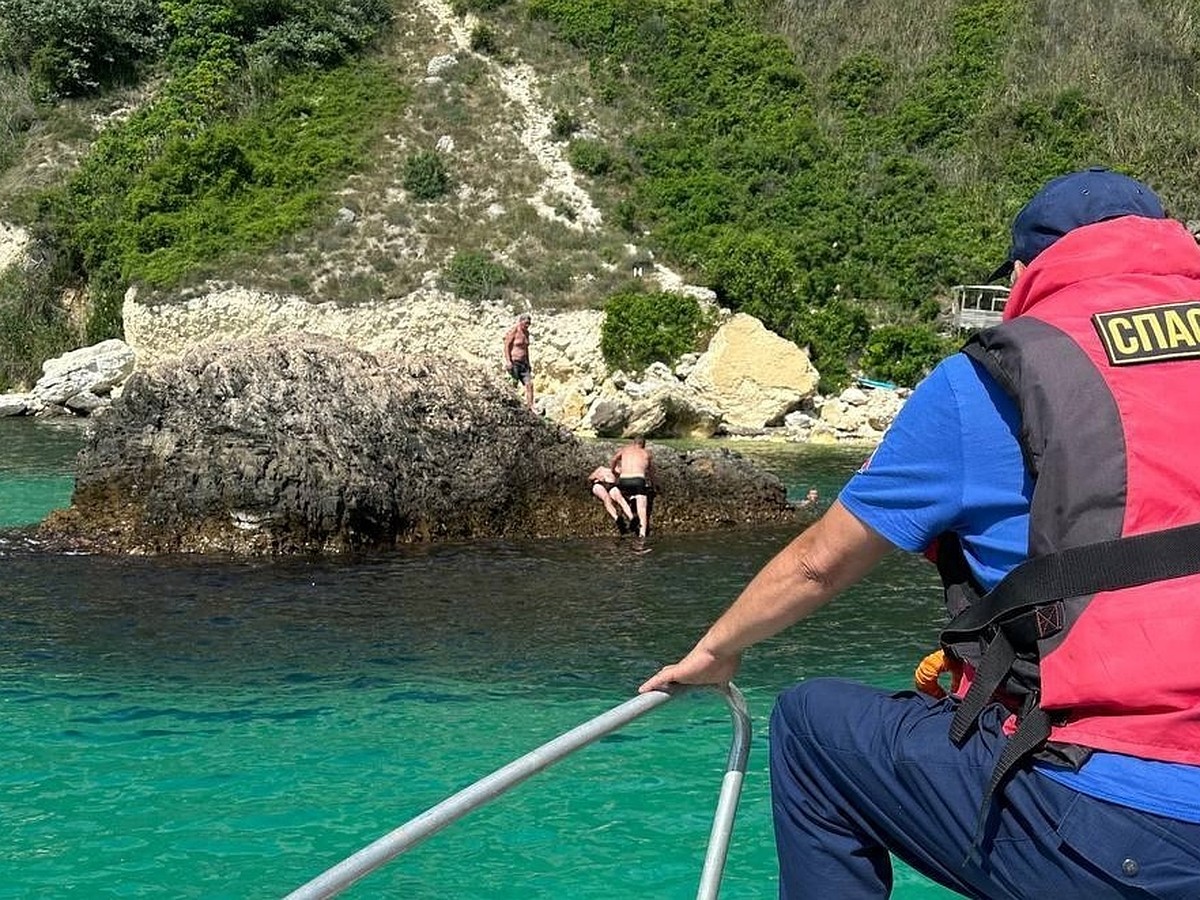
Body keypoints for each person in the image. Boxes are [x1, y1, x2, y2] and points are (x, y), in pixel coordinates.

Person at [639, 168, 1200, 898]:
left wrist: (716, 650)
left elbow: (818, 564)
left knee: (812, 728)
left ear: (1028, 271)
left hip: (1118, 822)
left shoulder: (991, 382)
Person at [609, 436, 654, 539]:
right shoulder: (646, 453)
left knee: (616, 492)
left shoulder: (624, 450)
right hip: (638, 480)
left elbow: (613, 459)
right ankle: (642, 534)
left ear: (633, 443)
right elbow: (651, 472)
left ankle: (629, 512)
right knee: (642, 507)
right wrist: (655, 483)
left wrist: (613, 470)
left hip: (624, 480)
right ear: (643, 445)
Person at [587, 464, 634, 533]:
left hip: (611, 486)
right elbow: (590, 478)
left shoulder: (620, 475)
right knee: (606, 498)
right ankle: (617, 519)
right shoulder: (602, 469)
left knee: (620, 498)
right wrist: (597, 476)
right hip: (599, 484)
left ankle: (632, 519)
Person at [502, 312, 534, 410]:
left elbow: (526, 349)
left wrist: (528, 363)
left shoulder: (527, 333)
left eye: (529, 323)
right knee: (513, 383)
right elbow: (507, 345)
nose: (527, 325)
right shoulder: (514, 331)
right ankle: (511, 405)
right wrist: (508, 361)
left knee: (529, 384)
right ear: (520, 322)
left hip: (524, 364)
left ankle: (530, 406)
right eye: (526, 323)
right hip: (514, 362)